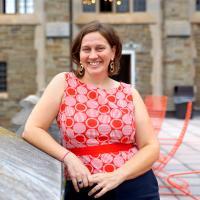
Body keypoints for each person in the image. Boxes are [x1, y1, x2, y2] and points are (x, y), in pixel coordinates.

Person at [22, 20, 160, 200]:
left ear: (114, 52)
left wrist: (118, 175)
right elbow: (32, 129)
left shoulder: (129, 93)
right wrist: (68, 157)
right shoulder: (64, 82)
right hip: (85, 186)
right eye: (86, 49)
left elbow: (151, 147)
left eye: (100, 48)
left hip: (134, 186)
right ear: (78, 54)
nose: (93, 55)